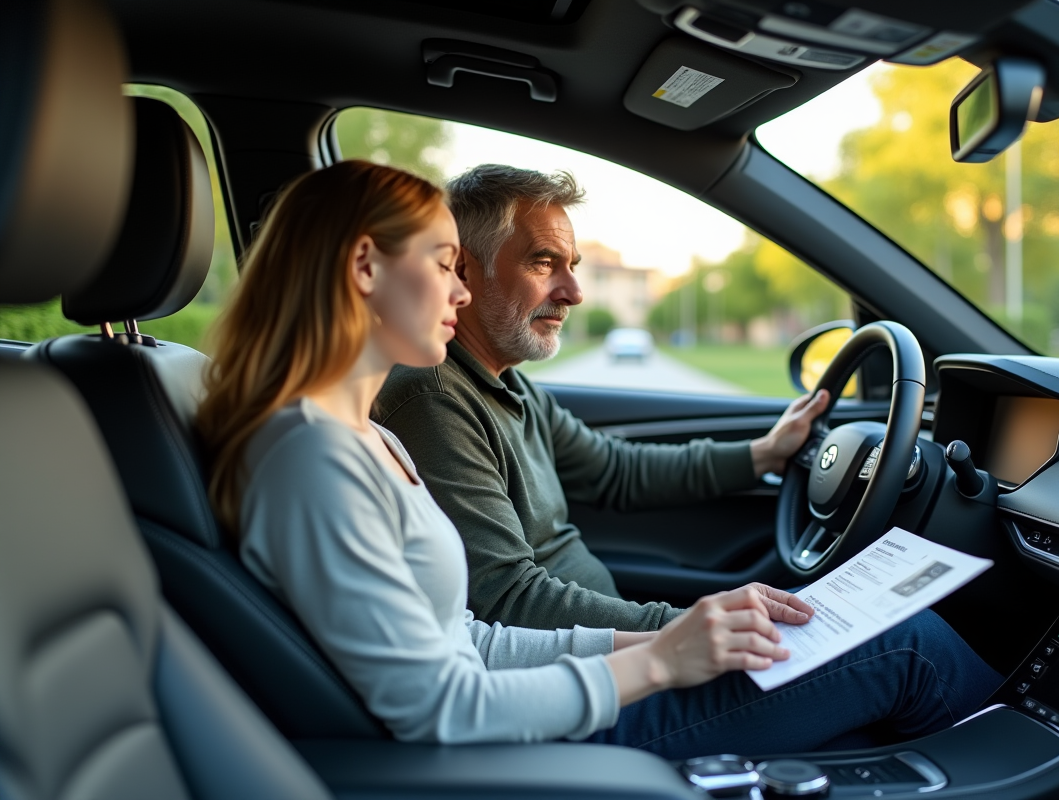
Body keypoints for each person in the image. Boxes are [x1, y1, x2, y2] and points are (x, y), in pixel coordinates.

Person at [194, 160, 999, 756]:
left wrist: (669, 639)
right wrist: (660, 659)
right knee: (907, 645)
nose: (462, 291)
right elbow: (439, 701)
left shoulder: (368, 437)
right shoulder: (322, 455)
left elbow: (469, 634)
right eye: (445, 265)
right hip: (527, 744)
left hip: (545, 698)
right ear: (366, 266)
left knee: (864, 638)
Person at [375, 164, 830, 632]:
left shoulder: (510, 383)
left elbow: (616, 471)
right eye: (544, 262)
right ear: (464, 268)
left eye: (572, 266)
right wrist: (686, 629)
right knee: (900, 650)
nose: (574, 293)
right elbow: (506, 600)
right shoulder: (433, 399)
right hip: (593, 677)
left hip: (627, 649)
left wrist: (763, 454)